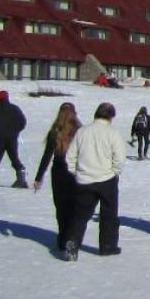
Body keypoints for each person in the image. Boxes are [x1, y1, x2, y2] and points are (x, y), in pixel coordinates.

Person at [63, 103, 128, 259]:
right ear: (111, 116)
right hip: (106, 179)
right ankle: (108, 246)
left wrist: (75, 172)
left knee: (80, 215)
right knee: (109, 215)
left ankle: (72, 242)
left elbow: (70, 156)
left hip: (84, 179)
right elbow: (119, 157)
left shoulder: (82, 132)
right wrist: (115, 172)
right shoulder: (112, 133)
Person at [32, 102, 81, 250]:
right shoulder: (79, 131)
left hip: (59, 171)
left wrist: (39, 177)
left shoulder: (55, 132)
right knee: (74, 206)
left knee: (61, 206)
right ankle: (71, 237)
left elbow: (46, 156)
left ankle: (63, 237)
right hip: (75, 172)